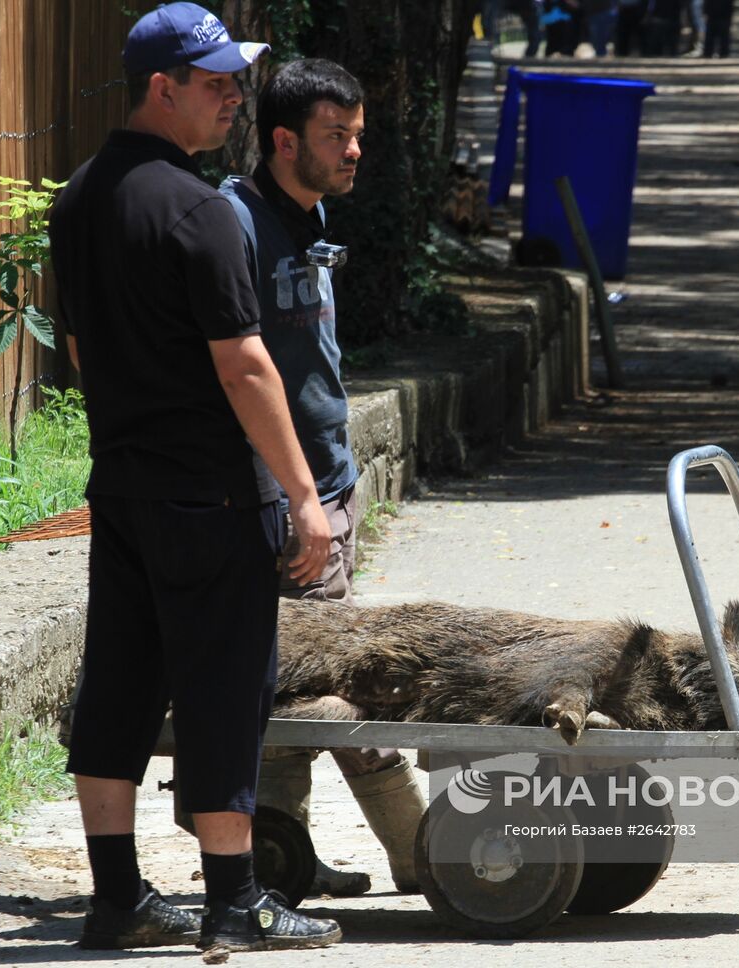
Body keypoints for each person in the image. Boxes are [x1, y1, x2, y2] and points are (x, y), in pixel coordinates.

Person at [49, 3, 340, 953]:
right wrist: (303, 496)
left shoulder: (82, 195)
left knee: (120, 684)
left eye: (236, 81)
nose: (233, 99)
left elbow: (83, 346)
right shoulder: (203, 208)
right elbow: (246, 364)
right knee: (223, 690)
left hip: (125, 485)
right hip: (212, 492)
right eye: (214, 84)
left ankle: (117, 898)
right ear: (160, 88)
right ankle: (233, 902)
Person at [215, 58, 428, 899]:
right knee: (337, 684)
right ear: (282, 140)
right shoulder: (234, 226)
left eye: (358, 136)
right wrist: (291, 493)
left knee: (298, 682)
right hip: (281, 495)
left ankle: (282, 862)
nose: (352, 153)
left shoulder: (312, 213)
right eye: (336, 137)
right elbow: (237, 370)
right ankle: (414, 848)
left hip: (329, 484)